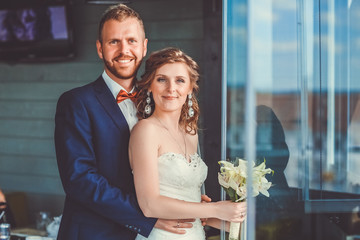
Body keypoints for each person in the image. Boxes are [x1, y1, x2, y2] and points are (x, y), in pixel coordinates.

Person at [54, 4, 194, 240]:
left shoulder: (159, 101)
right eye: (113, 42)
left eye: (131, 41)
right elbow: (80, 180)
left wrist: (183, 199)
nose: (124, 50)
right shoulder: (76, 102)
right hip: (95, 233)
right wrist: (146, 215)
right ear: (100, 49)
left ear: (144, 46)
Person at [129, 47, 247, 240]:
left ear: (190, 88)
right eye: (161, 79)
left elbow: (192, 204)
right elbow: (150, 205)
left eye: (180, 81)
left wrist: (232, 215)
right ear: (149, 85)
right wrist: (216, 209)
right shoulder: (145, 130)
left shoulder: (190, 133)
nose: (171, 89)